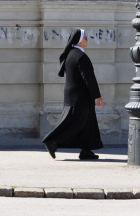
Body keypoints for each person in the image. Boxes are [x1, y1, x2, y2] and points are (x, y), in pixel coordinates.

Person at [42, 29, 104, 160]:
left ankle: (86, 150)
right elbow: (89, 78)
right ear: (80, 40)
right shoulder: (80, 56)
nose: (87, 40)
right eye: (85, 38)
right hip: (81, 97)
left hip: (74, 95)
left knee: (88, 123)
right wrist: (97, 95)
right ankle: (53, 141)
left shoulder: (71, 54)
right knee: (77, 123)